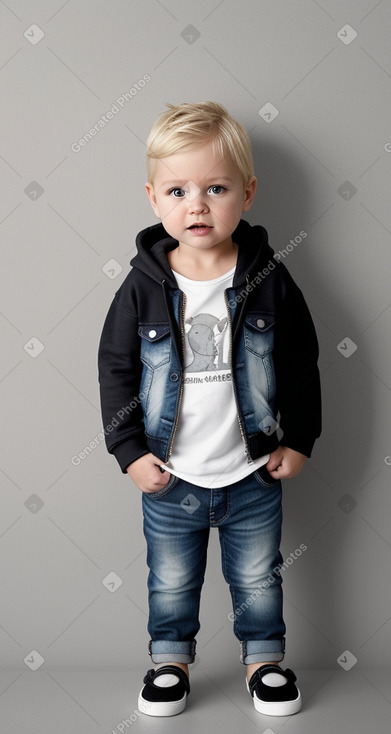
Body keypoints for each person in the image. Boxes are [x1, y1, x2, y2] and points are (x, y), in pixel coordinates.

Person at [98, 101, 321, 718]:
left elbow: (302, 363)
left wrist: (298, 439)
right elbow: (115, 370)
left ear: (247, 194)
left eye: (215, 188)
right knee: (171, 579)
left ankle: (264, 664)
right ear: (153, 199)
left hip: (250, 471)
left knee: (257, 578)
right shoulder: (144, 284)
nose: (196, 205)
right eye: (178, 190)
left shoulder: (268, 277)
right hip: (171, 474)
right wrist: (129, 453)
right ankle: (170, 661)